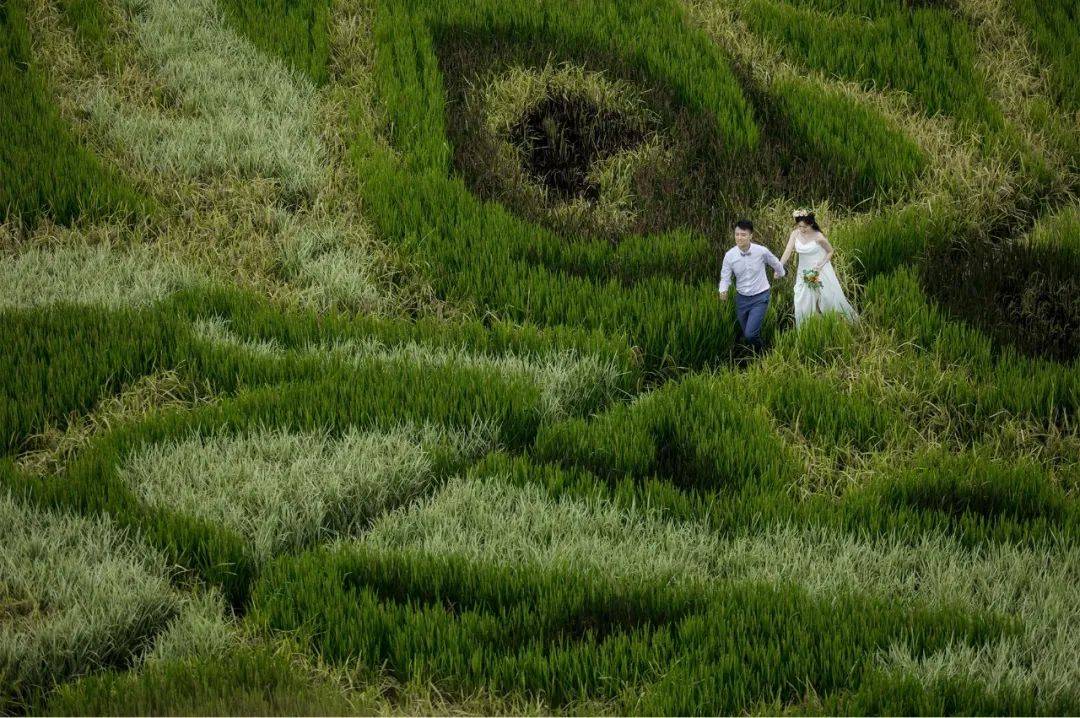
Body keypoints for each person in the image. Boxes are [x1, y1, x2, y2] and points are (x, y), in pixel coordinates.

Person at [779, 208, 858, 326]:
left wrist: (821, 264)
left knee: (827, 299)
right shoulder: (795, 234)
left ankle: (835, 324)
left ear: (811, 224)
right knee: (802, 299)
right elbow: (787, 251)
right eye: (799, 226)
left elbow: (830, 251)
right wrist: (779, 266)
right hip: (803, 272)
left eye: (804, 227)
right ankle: (808, 328)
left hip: (818, 270)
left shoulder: (818, 237)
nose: (801, 229)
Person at [718, 219, 786, 353]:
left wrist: (780, 273)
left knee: (750, 334)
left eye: (743, 235)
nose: (739, 238)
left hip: (760, 296)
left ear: (750, 236)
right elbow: (725, 276)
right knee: (747, 333)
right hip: (742, 299)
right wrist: (723, 290)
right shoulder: (730, 256)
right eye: (737, 234)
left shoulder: (761, 251)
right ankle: (754, 354)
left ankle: (764, 354)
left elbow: (776, 263)